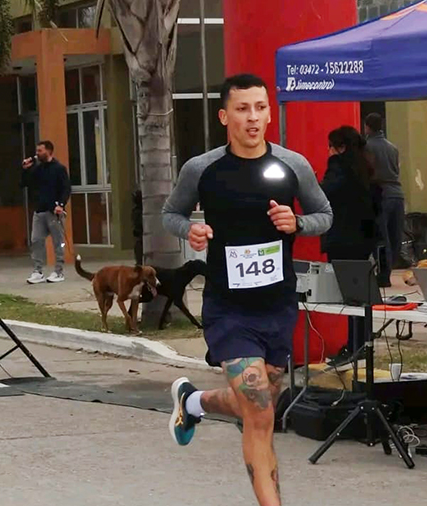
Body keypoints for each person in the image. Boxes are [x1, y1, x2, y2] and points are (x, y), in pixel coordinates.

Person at [162, 74, 332, 506]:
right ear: (224, 116)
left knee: (258, 403)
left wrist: (298, 224)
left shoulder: (293, 165)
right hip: (228, 307)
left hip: (277, 304)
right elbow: (171, 213)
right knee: (259, 413)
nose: (252, 117)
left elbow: (324, 214)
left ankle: (194, 402)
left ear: (269, 113)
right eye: (242, 109)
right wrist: (192, 230)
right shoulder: (201, 169)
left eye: (260, 108)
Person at [321, 126, 380, 369]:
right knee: (361, 297)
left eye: (331, 145)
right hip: (364, 238)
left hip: (342, 238)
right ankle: (362, 344)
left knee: (349, 298)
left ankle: (354, 346)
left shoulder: (338, 167)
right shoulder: (365, 166)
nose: (329, 150)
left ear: (340, 147)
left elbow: (324, 195)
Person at [21, 140, 71, 284]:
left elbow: (66, 188)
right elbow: (24, 183)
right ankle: (38, 271)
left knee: (58, 242)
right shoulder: (37, 169)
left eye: (40, 151)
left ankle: (58, 271)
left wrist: (61, 204)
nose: (37, 154)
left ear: (49, 151)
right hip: (39, 211)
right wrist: (25, 169)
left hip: (54, 211)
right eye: (37, 151)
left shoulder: (59, 168)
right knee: (36, 240)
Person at [364, 113, 404, 287]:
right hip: (397, 193)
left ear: (367, 127)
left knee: (382, 237)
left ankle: (383, 274)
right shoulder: (392, 147)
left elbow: (366, 172)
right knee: (395, 236)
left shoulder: (366, 147)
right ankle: (389, 270)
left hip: (380, 194)